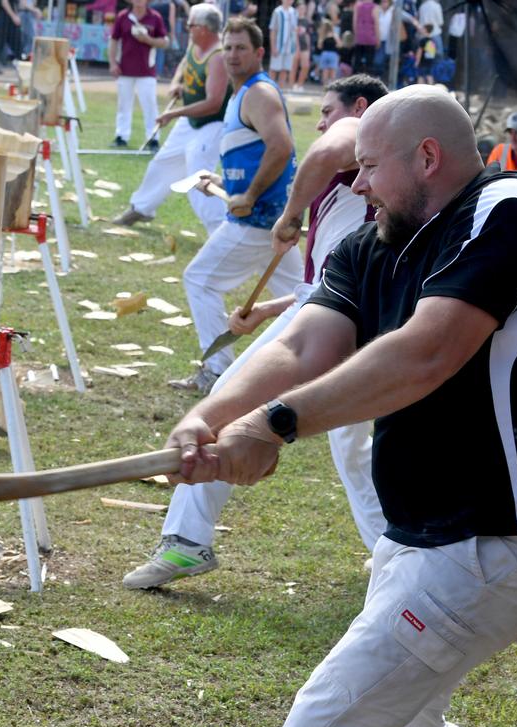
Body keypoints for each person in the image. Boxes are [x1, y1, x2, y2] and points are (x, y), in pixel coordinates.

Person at [164, 84, 517, 727]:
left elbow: (428, 351)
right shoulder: (368, 247)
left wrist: (275, 423)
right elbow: (300, 346)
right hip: (421, 540)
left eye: (369, 167)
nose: (358, 184)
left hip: (496, 543)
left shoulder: (507, 209)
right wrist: (208, 417)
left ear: (427, 156)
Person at [123, 74, 389, 590]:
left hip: (338, 316)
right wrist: (267, 310)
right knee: (352, 444)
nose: (323, 122)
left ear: (358, 106)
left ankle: (186, 542)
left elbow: (320, 154)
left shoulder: (362, 133)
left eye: (327, 111)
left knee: (228, 405)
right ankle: (393, 549)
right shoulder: (377, 175)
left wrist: (289, 217)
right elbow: (329, 280)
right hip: (348, 310)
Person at [166, 17, 303, 393]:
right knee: (308, 295)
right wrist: (225, 183)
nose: (232, 55)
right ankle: (327, 358)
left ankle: (216, 373)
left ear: (259, 53)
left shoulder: (258, 92)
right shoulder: (242, 94)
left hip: (257, 220)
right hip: (268, 220)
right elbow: (257, 155)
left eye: (241, 48)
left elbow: (282, 147)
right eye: (227, 47)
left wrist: (251, 194)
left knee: (199, 279)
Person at [112, 2, 230, 232]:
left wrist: (173, 113)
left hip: (212, 123)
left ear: (204, 28)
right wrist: (177, 84)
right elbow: (184, 66)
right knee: (163, 161)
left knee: (198, 175)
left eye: (190, 25)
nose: (187, 28)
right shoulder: (195, 45)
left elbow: (213, 103)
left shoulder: (218, 57)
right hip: (190, 119)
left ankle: (220, 230)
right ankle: (142, 208)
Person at [109, 0, 169, 148]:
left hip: (146, 70)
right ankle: (121, 136)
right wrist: (112, 62)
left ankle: (153, 137)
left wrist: (147, 39)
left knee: (150, 104)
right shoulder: (123, 16)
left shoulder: (155, 17)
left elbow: (164, 42)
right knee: (123, 104)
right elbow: (114, 40)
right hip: (125, 69)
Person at [268, 0, 298, 90]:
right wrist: (273, 47)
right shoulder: (277, 11)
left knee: (285, 69)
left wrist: (295, 45)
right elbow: (273, 30)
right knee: (274, 68)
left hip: (289, 46)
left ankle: (280, 90)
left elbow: (294, 30)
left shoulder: (294, 12)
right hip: (278, 45)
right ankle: (269, 89)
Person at [350, 0, 378, 76]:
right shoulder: (374, 7)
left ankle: (355, 80)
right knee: (369, 63)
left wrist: (356, 36)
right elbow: (376, 25)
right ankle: (368, 81)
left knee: (357, 62)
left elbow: (354, 22)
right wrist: (378, 38)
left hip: (359, 38)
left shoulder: (357, 5)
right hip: (370, 38)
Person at [316, 18, 338, 85]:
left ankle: (325, 87)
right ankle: (332, 87)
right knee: (333, 72)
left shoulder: (322, 35)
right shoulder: (334, 34)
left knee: (325, 72)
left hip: (324, 54)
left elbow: (319, 46)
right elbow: (340, 44)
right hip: (333, 54)